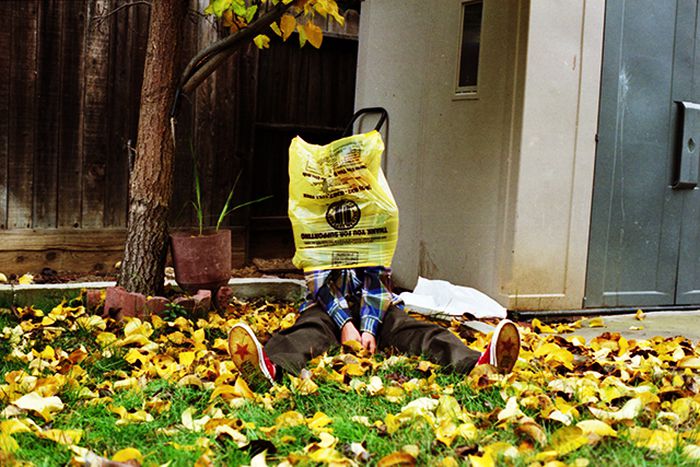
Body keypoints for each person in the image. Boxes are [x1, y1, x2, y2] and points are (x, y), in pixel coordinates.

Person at [228, 266, 520, 391]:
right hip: (328, 306)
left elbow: (378, 281)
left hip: (376, 307)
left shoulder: (375, 214)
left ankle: (478, 365)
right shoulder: (314, 216)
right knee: (307, 331)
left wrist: (367, 327)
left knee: (416, 331)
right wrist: (345, 323)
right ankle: (269, 369)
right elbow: (318, 284)